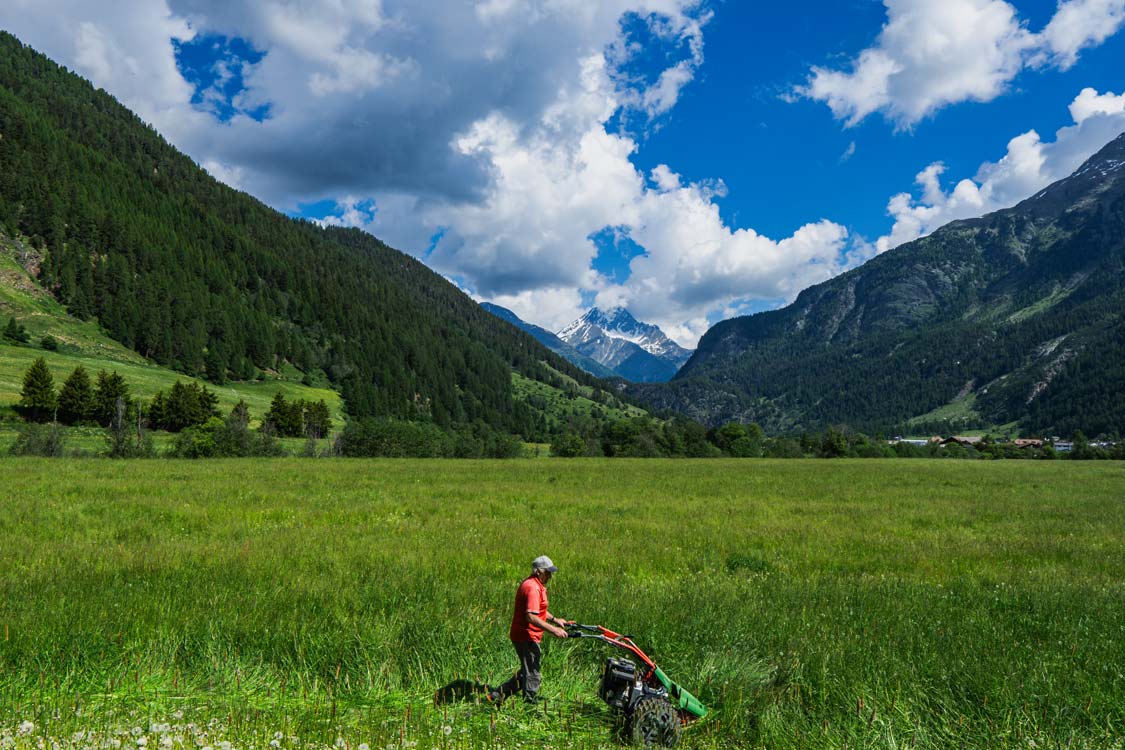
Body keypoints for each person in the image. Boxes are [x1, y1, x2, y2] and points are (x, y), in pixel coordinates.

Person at [490, 555, 569, 704]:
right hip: (525, 636)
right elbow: (531, 616)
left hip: (526, 635)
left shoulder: (535, 585)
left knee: (527, 671)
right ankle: (530, 705)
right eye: (548, 573)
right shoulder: (532, 588)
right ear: (538, 571)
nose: (550, 576)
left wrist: (555, 620)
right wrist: (554, 630)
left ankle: (498, 694)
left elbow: (538, 609)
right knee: (533, 672)